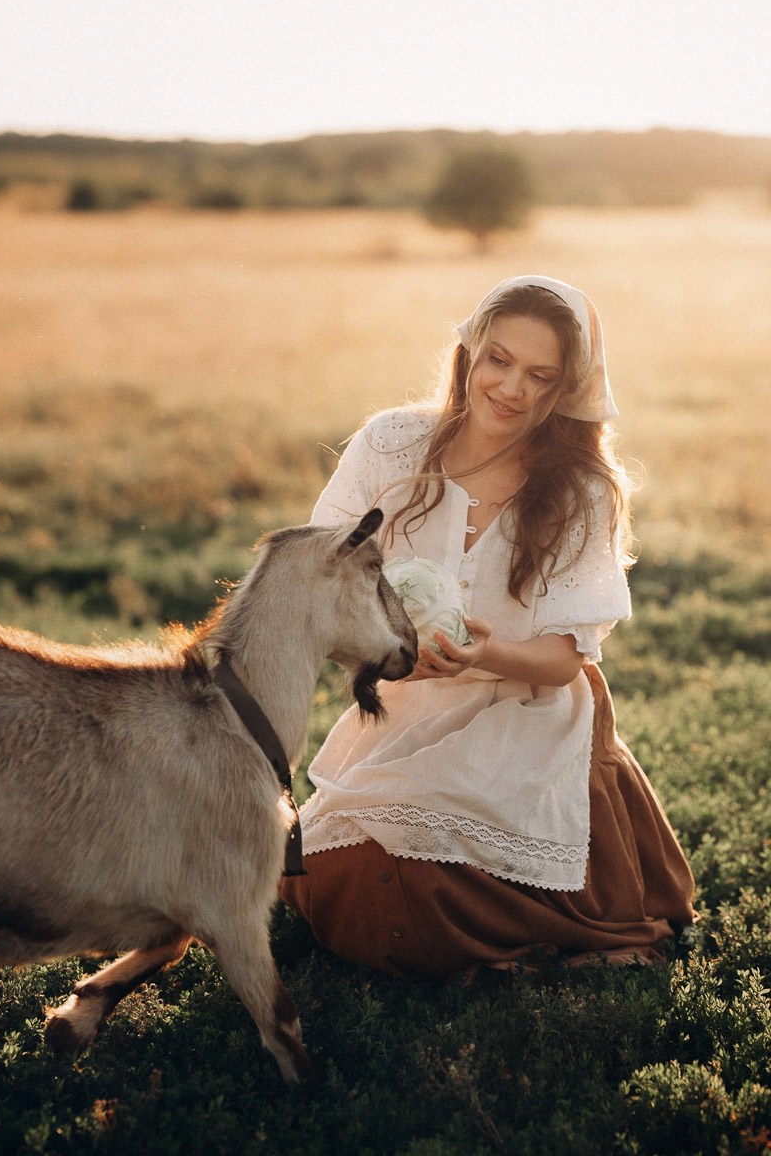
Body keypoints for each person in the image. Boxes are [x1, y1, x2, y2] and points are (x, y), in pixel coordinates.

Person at [280, 274, 695, 980]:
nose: (510, 388)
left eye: (540, 375)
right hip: (405, 715)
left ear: (567, 389)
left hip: (527, 715)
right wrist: (382, 653)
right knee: (327, 876)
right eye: (498, 359)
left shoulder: (581, 489)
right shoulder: (391, 445)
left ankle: (519, 942)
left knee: (396, 880)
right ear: (470, 349)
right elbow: (320, 580)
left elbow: (567, 658)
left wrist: (487, 652)